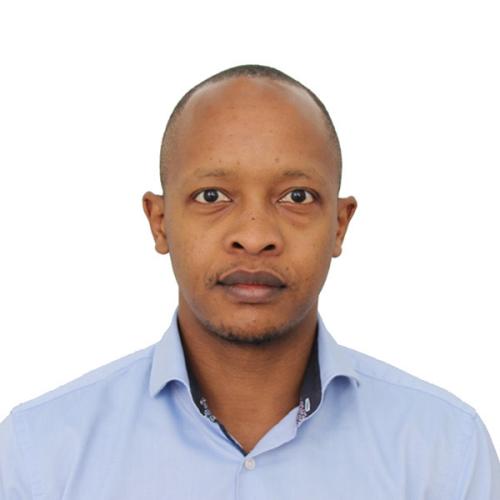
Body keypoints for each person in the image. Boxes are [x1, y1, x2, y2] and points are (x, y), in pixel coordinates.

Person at [1, 64, 499, 499]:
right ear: (160, 222)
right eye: (212, 195)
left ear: (340, 225)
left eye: (297, 197)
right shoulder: (39, 455)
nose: (255, 237)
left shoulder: (445, 451)